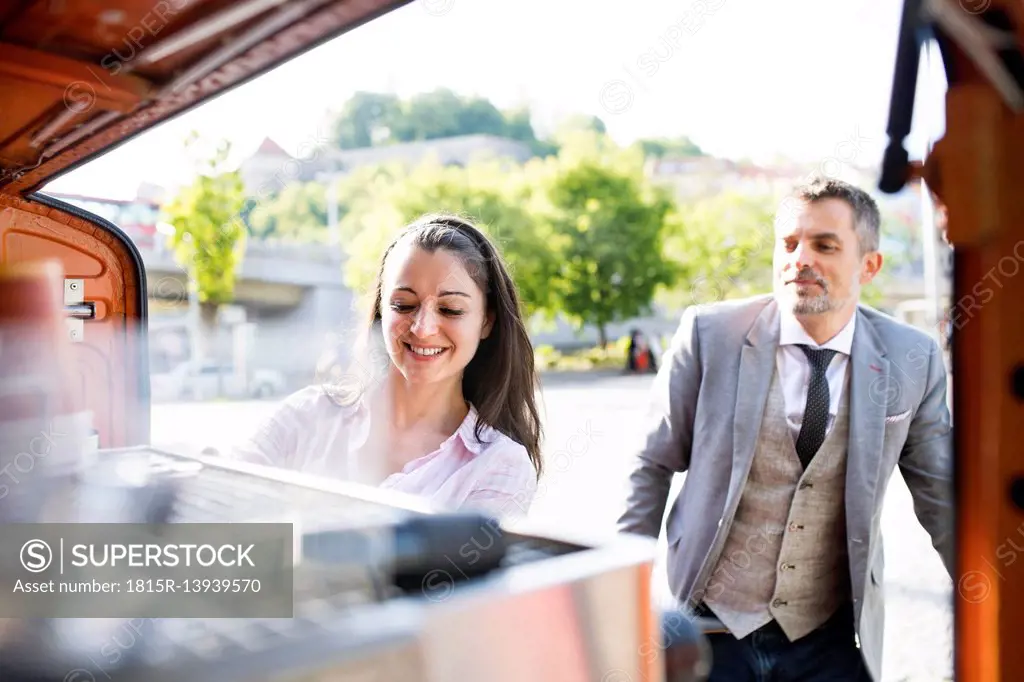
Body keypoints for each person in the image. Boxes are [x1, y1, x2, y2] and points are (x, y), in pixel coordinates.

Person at [618, 178, 953, 681]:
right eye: (789, 243)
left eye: (824, 245)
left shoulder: (912, 357)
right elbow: (651, 464)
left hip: (832, 636)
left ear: (869, 265)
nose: (800, 259)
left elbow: (942, 497)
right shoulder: (710, 335)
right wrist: (621, 594)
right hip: (711, 625)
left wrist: (1002, 595)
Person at [233, 214, 543, 521]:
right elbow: (219, 510)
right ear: (382, 309)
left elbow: (452, 571)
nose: (423, 328)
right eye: (403, 306)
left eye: (450, 309)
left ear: (486, 321)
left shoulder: (500, 466)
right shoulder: (306, 416)